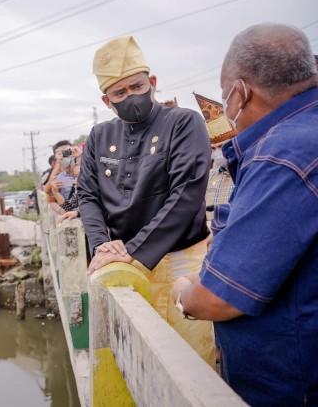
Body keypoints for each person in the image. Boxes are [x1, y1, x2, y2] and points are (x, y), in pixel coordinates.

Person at [171, 23, 318, 406]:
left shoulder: (281, 156)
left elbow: (220, 298)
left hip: (289, 387)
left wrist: (185, 295)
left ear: (239, 92)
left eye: (224, 99)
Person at [78, 35, 213, 364]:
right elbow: (88, 194)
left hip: (181, 259)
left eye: (137, 87)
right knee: (137, 357)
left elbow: (186, 194)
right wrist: (101, 245)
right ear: (107, 99)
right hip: (121, 261)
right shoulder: (100, 136)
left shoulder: (183, 123)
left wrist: (131, 249)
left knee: (191, 358)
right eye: (119, 93)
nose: (130, 97)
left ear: (151, 82)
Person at [194, 93, 237, 220]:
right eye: (213, 148)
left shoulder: (247, 173)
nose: (218, 153)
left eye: (222, 146)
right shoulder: (206, 177)